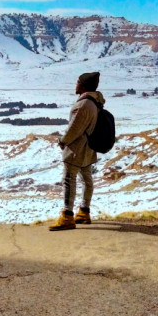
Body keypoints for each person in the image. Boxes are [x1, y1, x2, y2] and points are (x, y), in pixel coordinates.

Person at [49, 71, 105, 231]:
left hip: (77, 149)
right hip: (88, 148)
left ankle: (67, 216)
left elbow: (74, 129)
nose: (76, 85)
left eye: (77, 82)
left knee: (69, 179)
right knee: (86, 179)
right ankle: (84, 212)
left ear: (83, 85)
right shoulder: (95, 102)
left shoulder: (83, 105)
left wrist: (62, 141)